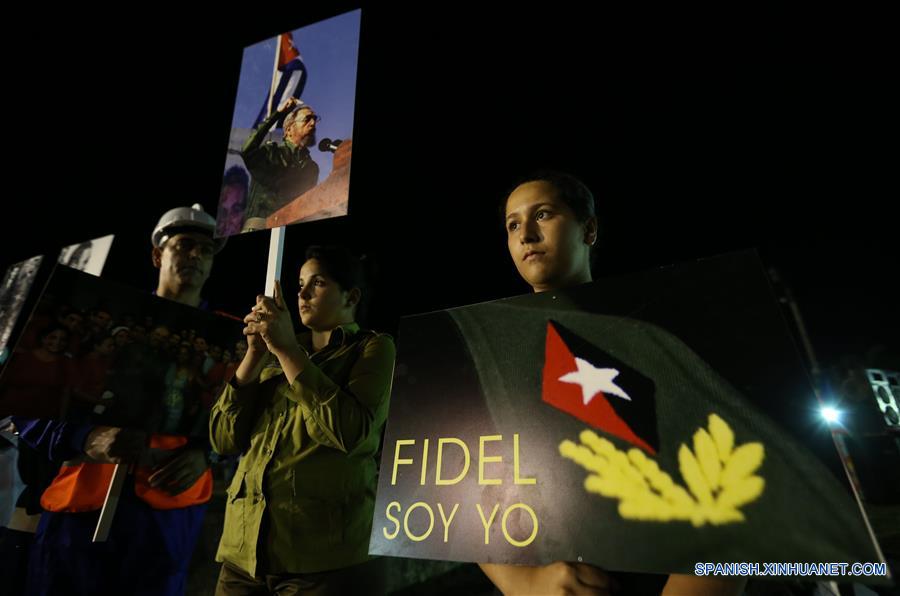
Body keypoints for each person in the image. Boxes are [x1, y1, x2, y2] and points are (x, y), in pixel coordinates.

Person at [476, 171, 745, 596]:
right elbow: (460, 487)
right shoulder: (485, 351)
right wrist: (522, 582)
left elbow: (731, 481)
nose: (525, 234)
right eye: (512, 224)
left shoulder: (659, 332)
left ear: (589, 229)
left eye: (542, 214)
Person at [11, 204, 226, 595]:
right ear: (158, 254)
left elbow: (243, 425)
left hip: (167, 519)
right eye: (184, 245)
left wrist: (208, 454)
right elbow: (31, 405)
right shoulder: (102, 318)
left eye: (206, 250)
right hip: (79, 510)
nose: (195, 255)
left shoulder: (230, 343)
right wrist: (87, 439)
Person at [210, 245, 395, 595]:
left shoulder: (372, 349)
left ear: (351, 296)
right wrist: (253, 355)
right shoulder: (273, 353)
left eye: (318, 283)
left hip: (320, 561)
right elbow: (222, 439)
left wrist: (286, 351)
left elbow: (350, 432)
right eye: (299, 284)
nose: (302, 294)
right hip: (242, 553)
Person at [241, 97, 320, 228]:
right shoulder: (271, 152)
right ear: (289, 130)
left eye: (315, 119)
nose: (313, 124)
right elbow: (247, 151)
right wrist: (278, 114)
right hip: (259, 226)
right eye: (307, 119)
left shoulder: (312, 168)